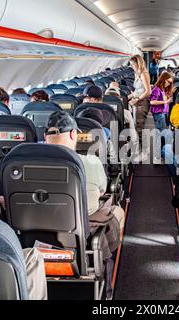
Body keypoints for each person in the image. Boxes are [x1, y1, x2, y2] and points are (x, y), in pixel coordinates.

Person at [44, 111, 124, 298]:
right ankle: (104, 262)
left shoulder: (23, 161)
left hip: (36, 237)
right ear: (73, 134)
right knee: (117, 212)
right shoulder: (90, 161)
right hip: (79, 233)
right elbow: (103, 190)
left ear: (45, 136)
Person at [128, 55, 152, 142]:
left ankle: (143, 149)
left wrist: (137, 99)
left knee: (140, 127)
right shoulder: (137, 73)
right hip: (137, 102)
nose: (131, 66)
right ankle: (139, 146)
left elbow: (148, 91)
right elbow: (137, 90)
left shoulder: (144, 74)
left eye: (133, 64)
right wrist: (126, 97)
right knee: (136, 125)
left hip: (142, 103)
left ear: (138, 63)